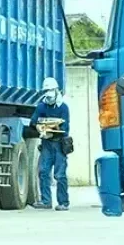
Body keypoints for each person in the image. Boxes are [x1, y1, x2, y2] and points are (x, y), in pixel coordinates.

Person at [30, 76, 70, 211]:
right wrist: (40, 128)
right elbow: (34, 122)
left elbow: (65, 128)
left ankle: (63, 202)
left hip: (59, 144)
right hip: (46, 144)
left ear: (57, 91)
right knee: (43, 171)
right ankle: (46, 201)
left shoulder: (63, 107)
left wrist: (52, 131)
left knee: (60, 175)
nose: (49, 94)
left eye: (51, 90)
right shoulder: (42, 106)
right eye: (47, 91)